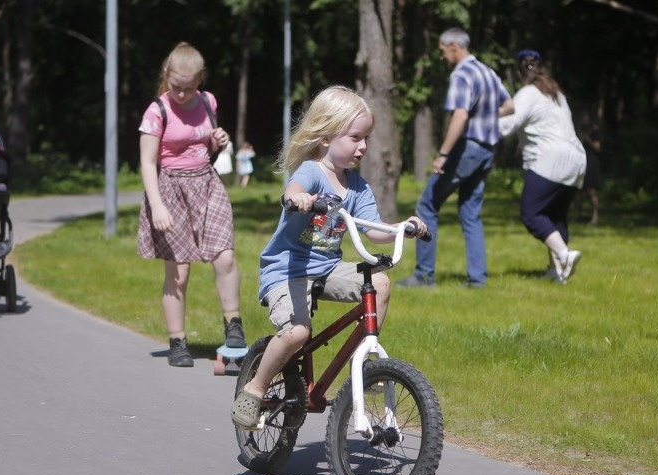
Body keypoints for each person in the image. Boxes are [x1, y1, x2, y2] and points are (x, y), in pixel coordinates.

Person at [230, 86, 427, 430]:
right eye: (354, 137)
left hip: (328, 268)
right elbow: (293, 189)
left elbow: (374, 230)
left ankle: (364, 369)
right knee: (296, 334)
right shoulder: (311, 172)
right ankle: (255, 388)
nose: (362, 146)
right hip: (288, 269)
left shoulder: (358, 187)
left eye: (365, 138)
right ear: (325, 137)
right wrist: (299, 198)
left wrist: (402, 227)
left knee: (379, 282)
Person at [137, 42, 247, 367]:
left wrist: (217, 142)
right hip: (170, 190)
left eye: (189, 87)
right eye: (176, 87)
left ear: (199, 80)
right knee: (179, 272)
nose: (183, 94)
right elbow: (146, 163)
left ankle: (233, 327)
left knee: (224, 256)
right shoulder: (156, 111)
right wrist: (157, 206)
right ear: (167, 76)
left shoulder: (208, 101)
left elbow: (205, 146)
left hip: (207, 183)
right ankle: (177, 341)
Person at [397, 27, 514, 289]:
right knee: (471, 214)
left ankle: (424, 276)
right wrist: (484, 116)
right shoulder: (487, 72)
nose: (442, 57)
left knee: (427, 206)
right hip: (487, 151)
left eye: (442, 50)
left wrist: (443, 154)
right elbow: (509, 106)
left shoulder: (462, 74)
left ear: (454, 46)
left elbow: (460, 115)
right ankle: (477, 279)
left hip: (466, 150)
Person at [499, 50, 586, 284]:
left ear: (519, 73)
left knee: (532, 213)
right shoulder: (556, 94)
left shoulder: (527, 92)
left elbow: (507, 125)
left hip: (550, 160)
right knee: (555, 216)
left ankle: (565, 255)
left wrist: (482, 122)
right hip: (576, 160)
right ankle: (557, 272)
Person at [575, 110, 602, 225]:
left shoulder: (595, 132)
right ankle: (577, 215)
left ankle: (595, 217)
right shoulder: (579, 132)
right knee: (577, 191)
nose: (583, 120)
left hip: (591, 163)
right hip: (580, 162)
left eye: (585, 117)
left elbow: (597, 148)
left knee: (591, 190)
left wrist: (588, 140)